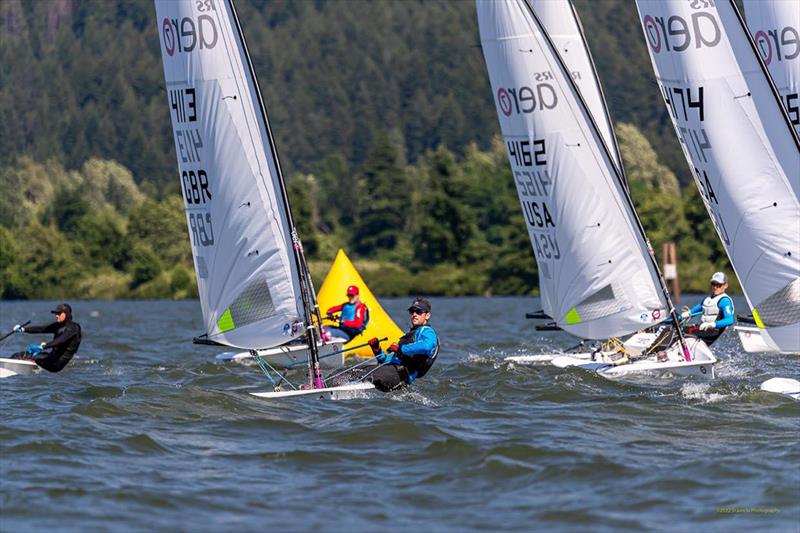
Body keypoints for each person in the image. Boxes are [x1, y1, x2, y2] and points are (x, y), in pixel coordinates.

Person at [370, 297, 439, 392]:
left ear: (427, 315)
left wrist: (401, 349)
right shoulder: (410, 335)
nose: (414, 314)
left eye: (419, 312)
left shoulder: (427, 332)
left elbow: (426, 346)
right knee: (355, 371)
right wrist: (377, 349)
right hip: (391, 369)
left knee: (366, 375)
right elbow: (387, 360)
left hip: (401, 374)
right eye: (412, 311)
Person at [11, 303, 82, 373]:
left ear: (65, 314)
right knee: (20, 355)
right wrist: (23, 329)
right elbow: (42, 329)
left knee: (26, 357)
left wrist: (43, 347)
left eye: (59, 314)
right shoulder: (58, 325)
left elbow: (61, 340)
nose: (56, 316)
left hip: (56, 364)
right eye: (56, 314)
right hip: (51, 358)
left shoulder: (73, 328)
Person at [679, 272, 735, 345]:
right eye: (713, 284)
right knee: (678, 330)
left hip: (713, 332)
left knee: (681, 332)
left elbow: (730, 320)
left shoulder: (724, 301)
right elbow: (693, 311)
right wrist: (683, 316)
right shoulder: (707, 299)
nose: (715, 287)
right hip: (704, 330)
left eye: (718, 285)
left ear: (725, 285)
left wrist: (712, 324)